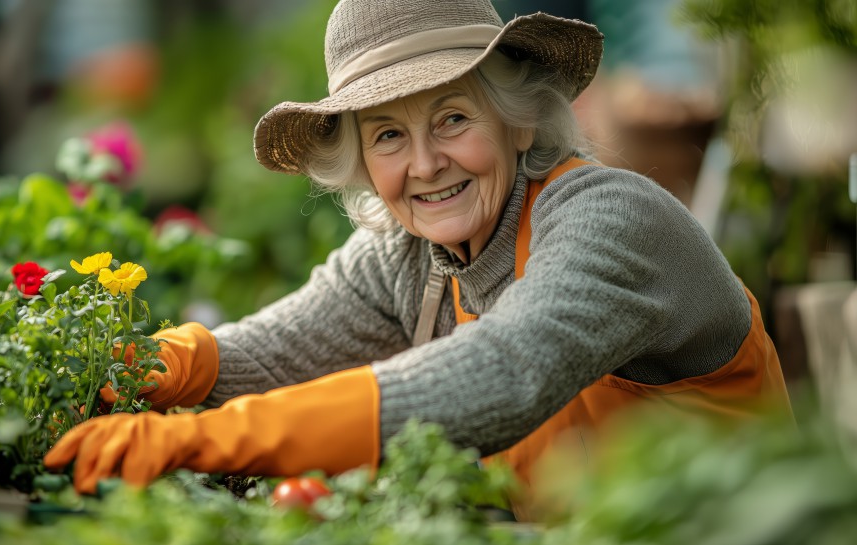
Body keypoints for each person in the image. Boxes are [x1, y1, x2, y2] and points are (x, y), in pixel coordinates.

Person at [44, 0, 792, 520]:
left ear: (519, 121)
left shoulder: (612, 218)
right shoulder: (411, 256)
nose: (426, 164)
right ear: (362, 161)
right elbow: (272, 356)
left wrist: (203, 440)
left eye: (453, 118)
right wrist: (150, 364)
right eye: (388, 136)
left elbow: (506, 371)